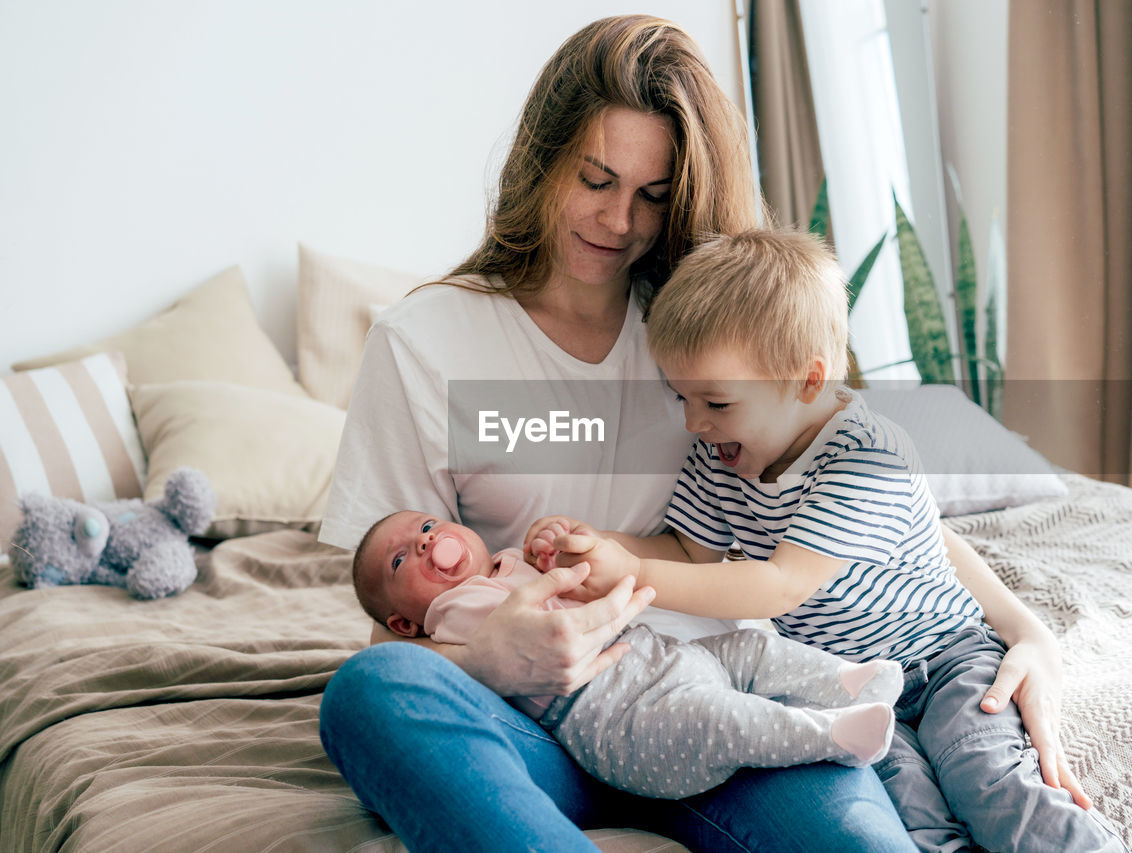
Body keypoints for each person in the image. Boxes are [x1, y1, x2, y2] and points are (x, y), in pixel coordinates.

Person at [317, 14, 1068, 853]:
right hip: (533, 714)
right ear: (541, 161)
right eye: (594, 179)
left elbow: (865, 487)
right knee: (370, 691)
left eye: (652, 195)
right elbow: (394, 622)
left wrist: (1025, 629)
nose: (617, 221)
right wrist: (493, 660)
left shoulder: (705, 328)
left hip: (727, 707)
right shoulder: (424, 343)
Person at [527, 228, 1128, 852]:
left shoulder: (867, 454)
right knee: (916, 822)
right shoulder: (719, 457)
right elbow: (689, 550)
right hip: (852, 679)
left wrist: (631, 569)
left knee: (988, 776)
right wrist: (596, 543)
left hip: (944, 658)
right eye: (682, 398)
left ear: (806, 381)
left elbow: (779, 586)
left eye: (717, 402)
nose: (694, 422)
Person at [352, 510, 905, 799]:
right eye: (400, 560)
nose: (426, 542)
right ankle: (828, 734)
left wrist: (554, 546)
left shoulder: (507, 562)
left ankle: (851, 680)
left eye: (427, 527)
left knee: (751, 648)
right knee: (723, 720)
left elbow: (581, 577)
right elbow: (410, 665)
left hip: (664, 653)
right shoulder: (448, 618)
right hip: (623, 718)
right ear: (404, 622)